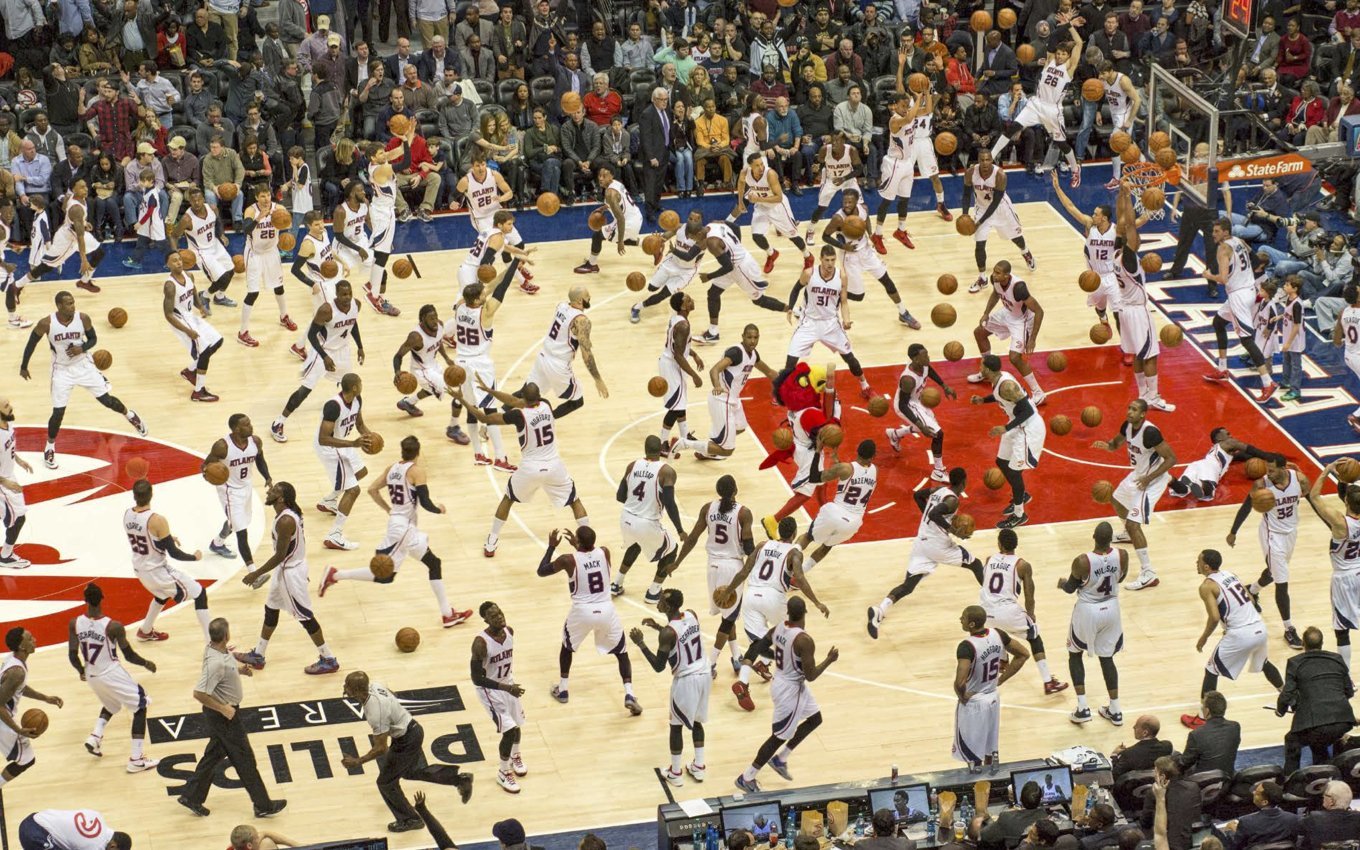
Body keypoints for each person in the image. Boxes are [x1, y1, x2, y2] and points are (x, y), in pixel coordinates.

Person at [319, 436, 472, 629]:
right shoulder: (417, 472)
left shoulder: (391, 469)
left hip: (400, 525)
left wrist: (388, 509)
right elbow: (424, 502)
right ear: (418, 452)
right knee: (385, 574)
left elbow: (372, 489)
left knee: (434, 563)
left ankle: (447, 614)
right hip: (404, 529)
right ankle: (336, 575)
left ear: (402, 451)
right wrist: (438, 509)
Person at [17, 291, 148, 470]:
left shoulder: (83, 318)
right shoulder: (46, 323)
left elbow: (93, 338)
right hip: (61, 370)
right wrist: (24, 366)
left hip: (83, 365)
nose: (73, 306)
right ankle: (49, 447)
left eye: (73, 302)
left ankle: (130, 416)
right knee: (58, 413)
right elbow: (31, 343)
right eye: (69, 304)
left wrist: (82, 348)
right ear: (59, 306)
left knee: (107, 401)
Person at [463, 382, 591, 558]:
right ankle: (589, 543)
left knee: (508, 499)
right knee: (575, 501)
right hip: (554, 466)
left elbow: (485, 419)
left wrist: (461, 399)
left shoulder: (518, 415)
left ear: (523, 398)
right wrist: (490, 391)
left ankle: (492, 541)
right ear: (538, 396)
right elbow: (514, 400)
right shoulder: (546, 404)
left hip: (530, 468)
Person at [178, 617, 286, 818]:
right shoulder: (215, 663)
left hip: (223, 714)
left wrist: (239, 671)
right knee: (244, 758)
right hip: (224, 716)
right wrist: (222, 709)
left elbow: (224, 669)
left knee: (213, 755)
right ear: (226, 635)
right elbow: (199, 693)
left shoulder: (216, 649)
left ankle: (191, 796)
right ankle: (263, 804)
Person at [340, 671, 472, 833]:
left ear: (359, 690)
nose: (345, 688)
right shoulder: (374, 685)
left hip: (407, 739)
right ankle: (460, 779)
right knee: (411, 772)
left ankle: (411, 819)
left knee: (386, 782)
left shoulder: (376, 712)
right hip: (411, 729)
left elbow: (381, 748)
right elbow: (392, 694)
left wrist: (357, 761)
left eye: (349, 686)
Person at [722, 517, 828, 711]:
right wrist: (816, 602)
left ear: (779, 531)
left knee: (758, 643)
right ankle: (788, 673)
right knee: (787, 639)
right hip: (774, 597)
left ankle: (745, 681)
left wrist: (729, 591)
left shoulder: (762, 545)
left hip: (751, 595)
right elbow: (801, 579)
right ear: (795, 534)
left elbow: (745, 571)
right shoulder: (794, 552)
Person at [233, 482, 339, 676]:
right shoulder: (287, 513)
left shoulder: (285, 521)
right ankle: (259, 654)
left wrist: (255, 573)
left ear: (281, 498)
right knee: (271, 609)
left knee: (306, 617)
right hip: (286, 569)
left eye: (274, 491)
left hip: (290, 573)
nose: (269, 491)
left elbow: (280, 555)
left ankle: (329, 658)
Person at [734, 596, 838, 792]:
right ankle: (747, 777)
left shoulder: (779, 627)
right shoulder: (804, 640)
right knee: (778, 737)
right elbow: (811, 675)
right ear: (805, 612)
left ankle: (781, 759)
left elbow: (761, 646)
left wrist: (779, 657)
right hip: (790, 690)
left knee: (815, 719)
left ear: (788, 612)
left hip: (781, 680)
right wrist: (829, 660)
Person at [537, 526, 641, 716]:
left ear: (577, 541)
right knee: (622, 652)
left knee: (567, 647)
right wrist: (578, 544)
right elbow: (589, 556)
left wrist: (552, 547)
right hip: (606, 610)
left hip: (582, 611)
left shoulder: (568, 560)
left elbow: (541, 571)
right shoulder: (605, 552)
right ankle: (629, 694)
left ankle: (563, 689)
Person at [868, 468, 976, 638]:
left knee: (909, 585)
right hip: (938, 545)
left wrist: (928, 517)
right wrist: (953, 530)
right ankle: (993, 602)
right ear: (964, 482)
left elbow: (918, 495)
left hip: (922, 541)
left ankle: (879, 610)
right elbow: (934, 513)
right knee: (975, 564)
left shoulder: (939, 489)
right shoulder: (952, 500)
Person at [669, 475, 756, 673]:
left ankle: (736, 657)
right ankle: (711, 662)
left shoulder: (708, 508)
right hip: (732, 568)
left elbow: (691, 539)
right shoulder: (744, 513)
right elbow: (749, 546)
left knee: (728, 615)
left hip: (712, 567)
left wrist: (677, 562)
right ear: (735, 490)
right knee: (728, 619)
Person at [68, 582, 159, 770]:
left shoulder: (75, 623)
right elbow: (129, 656)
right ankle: (136, 760)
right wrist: (147, 663)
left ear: (84, 600)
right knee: (141, 705)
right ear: (102, 598)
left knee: (112, 703)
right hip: (110, 672)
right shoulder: (113, 626)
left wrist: (81, 671)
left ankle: (95, 736)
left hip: (92, 674)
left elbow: (72, 654)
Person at [270, 280, 366, 449]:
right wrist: (324, 357)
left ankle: (352, 421)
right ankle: (279, 422)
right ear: (336, 294)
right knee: (304, 391)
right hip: (322, 351)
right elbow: (312, 335)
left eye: (349, 293)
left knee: (352, 387)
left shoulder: (356, 305)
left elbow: (353, 324)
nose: (347, 297)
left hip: (343, 351)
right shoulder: (326, 310)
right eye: (343, 294)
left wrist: (360, 346)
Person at [1092, 400, 1176, 591]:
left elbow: (1172, 458)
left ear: (1143, 414)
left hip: (1153, 480)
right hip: (1139, 474)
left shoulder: (1150, 432)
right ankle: (1128, 534)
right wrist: (1106, 446)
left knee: (1133, 523)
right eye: (1129, 408)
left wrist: (1149, 478)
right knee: (1116, 498)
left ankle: (1148, 573)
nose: (1129, 412)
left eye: (1134, 409)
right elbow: (1115, 444)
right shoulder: (1127, 425)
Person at [630, 588, 710, 786]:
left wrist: (641, 643)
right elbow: (680, 635)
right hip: (704, 674)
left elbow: (658, 666)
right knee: (697, 722)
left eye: (661, 600)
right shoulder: (691, 614)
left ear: (668, 606)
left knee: (676, 727)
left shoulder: (668, 633)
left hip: (687, 680)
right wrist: (658, 627)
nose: (658, 601)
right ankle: (699, 767)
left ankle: (675, 772)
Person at [976, 529, 1067, 694]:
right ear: (1015, 545)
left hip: (985, 612)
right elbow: (1029, 595)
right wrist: (1031, 614)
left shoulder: (989, 560)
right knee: (1034, 637)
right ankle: (1048, 681)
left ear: (999, 544)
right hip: (1007, 611)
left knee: (999, 630)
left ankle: (1002, 659)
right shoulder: (1022, 565)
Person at [125, 479, 213, 642]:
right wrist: (195, 557)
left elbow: (144, 535)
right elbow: (174, 553)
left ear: (134, 496)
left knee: (162, 595)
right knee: (200, 593)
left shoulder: (127, 514)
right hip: (156, 571)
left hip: (140, 569)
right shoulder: (157, 520)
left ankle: (145, 631)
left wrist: (166, 538)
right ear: (152, 495)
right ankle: (212, 644)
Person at [991, 32, 1083, 186]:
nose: (1060, 56)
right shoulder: (1049, 62)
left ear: (1068, 56)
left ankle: (1075, 169)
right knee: (1013, 127)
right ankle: (992, 156)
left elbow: (1079, 43)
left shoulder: (1070, 69)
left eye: (1063, 54)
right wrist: (1063, 26)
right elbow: (1053, 39)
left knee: (1061, 143)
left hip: (1052, 110)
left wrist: (1071, 27)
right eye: (1058, 53)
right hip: (1036, 104)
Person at [1060, 521, 1128, 726]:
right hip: (1112, 609)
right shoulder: (1122, 554)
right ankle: (1115, 710)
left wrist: (1062, 583)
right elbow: (1121, 579)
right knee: (1107, 659)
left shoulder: (1083, 561)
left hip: (1088, 610)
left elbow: (1070, 588)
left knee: (1074, 653)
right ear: (1111, 538)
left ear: (1094, 537)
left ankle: (1082, 708)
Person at [820, 189, 920, 327]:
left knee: (887, 281)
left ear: (856, 202)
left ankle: (903, 313)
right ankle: (828, 293)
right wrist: (843, 247)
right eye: (844, 202)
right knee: (858, 296)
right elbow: (824, 236)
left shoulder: (863, 209)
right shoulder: (838, 218)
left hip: (866, 252)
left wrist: (870, 234)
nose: (847, 205)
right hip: (850, 256)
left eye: (850, 202)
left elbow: (866, 220)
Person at [450, 268, 520, 465]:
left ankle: (478, 453)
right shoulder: (485, 313)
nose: (485, 295)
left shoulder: (459, 305)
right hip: (479, 364)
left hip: (461, 364)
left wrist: (513, 264)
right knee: (491, 411)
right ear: (476, 301)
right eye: (482, 296)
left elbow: (489, 287)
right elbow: (500, 290)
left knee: (472, 408)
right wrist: (514, 266)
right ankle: (500, 458)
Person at [783, 246, 873, 397]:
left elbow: (843, 302)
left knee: (849, 357)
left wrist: (846, 319)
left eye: (832, 260)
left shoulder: (841, 276)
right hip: (809, 323)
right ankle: (783, 391)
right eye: (827, 260)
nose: (830, 264)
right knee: (791, 359)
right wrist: (790, 307)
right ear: (821, 259)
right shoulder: (809, 273)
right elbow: (795, 289)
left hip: (830, 323)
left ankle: (865, 385)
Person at [1203, 218, 1277, 401]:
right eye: (1213, 231)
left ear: (1226, 232)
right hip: (1248, 289)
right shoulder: (1240, 241)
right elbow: (1254, 259)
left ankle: (1268, 383)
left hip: (1239, 297)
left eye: (1217, 231)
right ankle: (1222, 369)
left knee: (1247, 340)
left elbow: (1223, 279)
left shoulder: (1223, 249)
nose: (1213, 234)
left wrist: (1208, 275)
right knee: (1218, 323)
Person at [1194, 549, 1284, 701]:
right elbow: (1252, 599)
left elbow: (1214, 617)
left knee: (1211, 670)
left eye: (1199, 561)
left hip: (1241, 634)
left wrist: (1204, 638)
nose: (1196, 564)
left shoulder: (1207, 586)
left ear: (1207, 567)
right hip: (1258, 627)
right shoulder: (1230, 574)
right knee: (1264, 663)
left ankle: (1204, 716)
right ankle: (1290, 697)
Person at [970, 353, 1046, 529]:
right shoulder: (997, 379)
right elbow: (999, 397)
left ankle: (1019, 515)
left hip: (1028, 428)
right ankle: (1022, 495)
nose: (979, 368)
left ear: (988, 369)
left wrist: (1005, 428)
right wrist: (983, 400)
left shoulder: (1007, 386)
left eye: (981, 365)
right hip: (1016, 425)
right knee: (1001, 461)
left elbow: (1027, 410)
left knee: (1014, 471)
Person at [953, 604, 1030, 773]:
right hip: (993, 697)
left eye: (963, 617)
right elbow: (1023, 654)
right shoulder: (998, 634)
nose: (960, 619)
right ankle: (992, 782)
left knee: (972, 754)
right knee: (990, 749)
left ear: (972, 624)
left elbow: (959, 683)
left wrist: (963, 697)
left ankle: (976, 786)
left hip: (975, 702)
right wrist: (1000, 680)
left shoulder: (967, 646)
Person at [611, 437, 685, 601]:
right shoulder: (667, 471)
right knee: (671, 550)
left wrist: (638, 503)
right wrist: (680, 529)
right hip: (646, 523)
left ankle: (616, 583)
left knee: (636, 543)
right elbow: (670, 503)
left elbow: (620, 496)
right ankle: (653, 592)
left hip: (626, 518)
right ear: (660, 450)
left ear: (645, 450)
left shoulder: (632, 465)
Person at [967, 261, 1046, 407]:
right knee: (979, 333)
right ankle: (986, 371)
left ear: (1007, 275)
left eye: (998, 273)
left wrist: (1032, 339)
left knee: (1014, 358)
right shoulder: (995, 280)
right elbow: (996, 294)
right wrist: (986, 313)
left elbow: (1039, 311)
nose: (994, 274)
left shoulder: (1019, 287)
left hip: (1021, 321)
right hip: (1007, 313)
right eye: (994, 271)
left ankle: (1038, 393)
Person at [1276, 626, 1355, 771]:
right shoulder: (1337, 659)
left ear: (1303, 644)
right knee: (1318, 738)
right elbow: (1349, 691)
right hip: (1343, 720)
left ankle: (1290, 779)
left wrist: (1280, 711)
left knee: (1293, 740)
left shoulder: (1295, 662)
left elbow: (1287, 694)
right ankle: (1324, 771)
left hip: (1315, 723)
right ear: (1322, 643)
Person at [469, 602, 529, 794]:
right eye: (494, 616)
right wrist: (505, 687)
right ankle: (503, 773)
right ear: (486, 620)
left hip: (508, 683)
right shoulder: (480, 643)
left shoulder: (510, 631)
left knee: (517, 723)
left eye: (500, 613)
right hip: (490, 690)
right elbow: (477, 678)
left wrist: (509, 686)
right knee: (509, 730)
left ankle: (515, 756)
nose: (500, 618)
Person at [1306, 459, 1360, 669]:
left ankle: (1345, 675)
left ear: (1346, 502)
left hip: (1344, 578)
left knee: (1342, 630)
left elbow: (1314, 497)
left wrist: (1327, 470)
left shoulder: (1340, 523)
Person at [794, 439, 878, 571]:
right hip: (853, 523)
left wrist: (817, 451)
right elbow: (856, 476)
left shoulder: (845, 468)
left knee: (807, 537)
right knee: (827, 546)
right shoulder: (875, 471)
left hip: (835, 513)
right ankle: (800, 574)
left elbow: (814, 477)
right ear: (874, 456)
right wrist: (837, 462)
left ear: (857, 451)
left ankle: (786, 567)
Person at [9, 179, 105, 296]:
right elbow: (80, 237)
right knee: (47, 266)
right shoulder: (76, 209)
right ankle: (17, 285)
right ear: (74, 189)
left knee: (99, 253)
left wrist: (82, 222)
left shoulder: (70, 196)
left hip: (76, 231)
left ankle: (84, 281)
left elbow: (65, 209)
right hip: (67, 239)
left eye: (85, 186)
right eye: (81, 187)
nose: (85, 189)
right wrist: (84, 260)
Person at [1050, 174, 1119, 333]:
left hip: (1112, 275)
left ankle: (1127, 344)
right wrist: (1057, 188)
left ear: (1104, 218)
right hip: (1094, 276)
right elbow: (1071, 207)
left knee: (1119, 311)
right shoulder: (1090, 225)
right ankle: (1103, 319)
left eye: (1096, 214)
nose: (1093, 215)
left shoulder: (1116, 231)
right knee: (1100, 306)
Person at [204, 414, 272, 575]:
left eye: (250, 423)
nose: (251, 426)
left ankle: (217, 543)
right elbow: (206, 465)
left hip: (246, 487)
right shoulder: (222, 447)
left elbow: (260, 459)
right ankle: (253, 572)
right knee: (242, 531)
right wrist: (210, 475)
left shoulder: (255, 441)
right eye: (247, 424)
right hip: (229, 490)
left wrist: (267, 477)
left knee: (237, 521)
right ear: (236, 429)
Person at [524, 287, 608, 418]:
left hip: (543, 356)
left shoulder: (561, 305)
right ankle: (544, 419)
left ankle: (501, 413)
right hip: (558, 364)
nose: (590, 296)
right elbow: (587, 355)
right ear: (580, 301)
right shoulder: (582, 321)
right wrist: (598, 379)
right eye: (587, 295)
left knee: (525, 393)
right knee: (577, 401)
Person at [963, 151, 1036, 294]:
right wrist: (964, 216)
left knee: (1016, 238)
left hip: (1001, 209)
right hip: (981, 208)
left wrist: (979, 222)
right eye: (982, 160)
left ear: (992, 160)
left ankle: (1026, 252)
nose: (985, 163)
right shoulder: (970, 172)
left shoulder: (1000, 175)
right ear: (978, 161)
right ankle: (982, 278)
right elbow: (966, 195)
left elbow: (995, 202)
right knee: (979, 244)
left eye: (988, 160)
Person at [1, 628, 63, 791]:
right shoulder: (17, 672)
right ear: (22, 646)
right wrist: (18, 730)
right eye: (30, 638)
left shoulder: (12, 660)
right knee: (26, 759)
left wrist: (45, 698)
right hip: (2, 718)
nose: (35, 639)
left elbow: (18, 688)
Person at [732, 152, 812, 276]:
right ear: (750, 167)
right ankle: (772, 253)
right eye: (757, 165)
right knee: (756, 236)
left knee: (792, 235)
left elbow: (779, 198)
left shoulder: (770, 174)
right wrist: (740, 201)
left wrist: (757, 199)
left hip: (777, 207)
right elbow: (741, 184)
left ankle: (808, 256)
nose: (761, 168)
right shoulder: (745, 172)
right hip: (762, 207)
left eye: (762, 164)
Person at [161, 250, 224, 403]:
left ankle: (190, 371)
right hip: (179, 320)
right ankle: (198, 392)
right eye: (174, 261)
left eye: (180, 259)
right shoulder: (170, 286)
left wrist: (201, 307)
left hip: (190, 316)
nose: (179, 262)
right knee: (204, 352)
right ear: (168, 265)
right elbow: (168, 314)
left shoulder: (189, 276)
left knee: (218, 340)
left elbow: (193, 293)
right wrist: (188, 331)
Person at [236, 186, 295, 346]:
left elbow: (288, 223)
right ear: (257, 197)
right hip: (254, 253)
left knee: (279, 286)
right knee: (253, 293)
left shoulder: (279, 209)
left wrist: (285, 230)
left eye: (268, 195)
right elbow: (245, 230)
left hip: (271, 252)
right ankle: (243, 332)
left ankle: (284, 317)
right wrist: (259, 218)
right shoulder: (250, 210)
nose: (266, 199)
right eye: (262, 196)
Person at [886, 344, 955, 478]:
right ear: (916, 359)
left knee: (927, 428)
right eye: (925, 356)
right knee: (937, 433)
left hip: (917, 401)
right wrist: (919, 423)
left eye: (927, 354)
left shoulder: (922, 364)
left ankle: (895, 434)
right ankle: (938, 471)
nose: (928, 358)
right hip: (906, 405)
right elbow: (902, 405)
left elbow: (929, 370)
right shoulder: (908, 379)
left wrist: (944, 385)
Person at [653, 293, 708, 457]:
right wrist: (694, 375)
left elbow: (680, 346)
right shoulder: (683, 325)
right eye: (688, 300)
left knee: (680, 404)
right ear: (683, 306)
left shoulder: (677, 318)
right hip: (671, 365)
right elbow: (677, 354)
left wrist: (694, 354)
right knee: (675, 407)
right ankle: (662, 443)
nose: (692, 301)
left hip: (672, 362)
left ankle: (685, 436)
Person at [172, 188, 237, 308]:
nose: (196, 203)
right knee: (222, 278)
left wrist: (221, 234)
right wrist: (175, 254)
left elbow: (217, 222)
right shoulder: (187, 219)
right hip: (201, 252)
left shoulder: (212, 208)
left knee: (231, 270)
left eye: (199, 200)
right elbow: (174, 235)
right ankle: (205, 296)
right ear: (189, 201)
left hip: (215, 245)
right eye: (193, 201)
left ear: (203, 199)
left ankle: (220, 297)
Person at [0, 397, 33, 569]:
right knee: (19, 518)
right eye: (6, 406)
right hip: (2, 483)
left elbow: (9, 447)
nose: (11, 407)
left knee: (14, 516)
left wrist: (19, 460)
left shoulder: (8, 424)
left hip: (8, 477)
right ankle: (5, 556)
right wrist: (6, 482)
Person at [1217, 781, 1297, 850]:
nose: (1254, 792)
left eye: (1257, 793)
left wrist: (1234, 830)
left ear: (1264, 802)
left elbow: (1237, 846)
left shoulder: (1246, 821)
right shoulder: (1294, 818)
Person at [1178, 691, 1241, 770]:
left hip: (1203, 779)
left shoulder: (1196, 734)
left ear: (1207, 711)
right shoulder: (1235, 727)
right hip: (1227, 776)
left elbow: (1184, 763)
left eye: (1203, 706)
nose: (1202, 708)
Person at [17, 810, 130, 850]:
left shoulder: (98, 816)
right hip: (34, 836)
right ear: (113, 846)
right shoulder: (94, 847)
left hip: (34, 818)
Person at [981, 781, 1046, 850]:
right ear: (1040, 800)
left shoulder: (1006, 818)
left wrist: (989, 820)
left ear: (1020, 799)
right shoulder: (1046, 818)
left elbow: (984, 835)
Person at [1299, 782, 1360, 849]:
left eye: (1325, 795)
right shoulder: (1358, 817)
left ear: (1331, 801)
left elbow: (1295, 827)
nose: (1323, 797)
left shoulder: (1315, 818)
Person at [228, 824, 300, 850]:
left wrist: (296, 844)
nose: (259, 837)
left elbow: (264, 833)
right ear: (249, 845)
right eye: (257, 837)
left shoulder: (234, 846)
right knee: (267, 842)